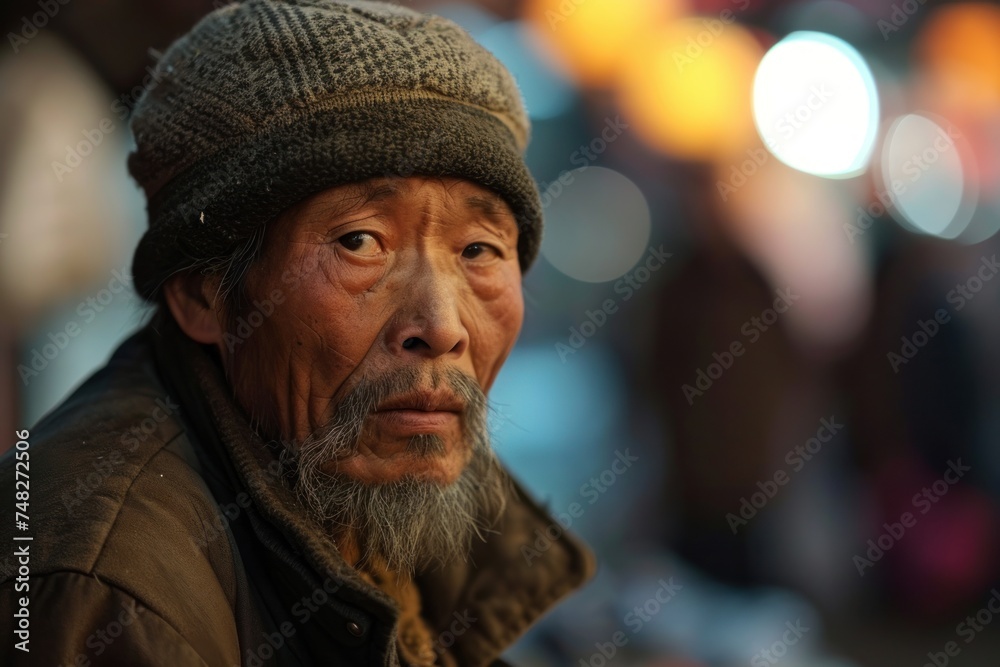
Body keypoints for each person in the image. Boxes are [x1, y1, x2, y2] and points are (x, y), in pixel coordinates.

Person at [0, 1, 594, 664]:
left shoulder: (378, 496)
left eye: (479, 250)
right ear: (205, 293)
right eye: (361, 241)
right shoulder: (106, 591)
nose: (442, 325)